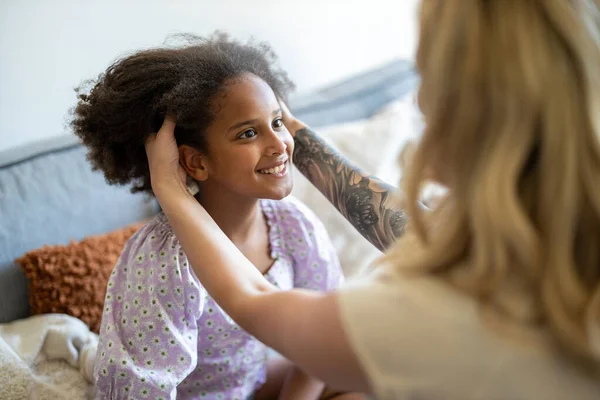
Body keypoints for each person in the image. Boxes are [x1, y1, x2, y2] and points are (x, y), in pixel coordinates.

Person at [144, 1, 600, 399]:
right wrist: (284, 127)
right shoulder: (538, 232)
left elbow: (253, 300)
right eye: (250, 130)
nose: (417, 100)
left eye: (431, 77)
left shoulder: (427, 309)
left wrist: (173, 192)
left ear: (486, 112)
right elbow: (411, 226)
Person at [71, 33, 362, 400]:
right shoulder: (163, 259)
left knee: (358, 378)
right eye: (249, 133)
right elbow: (140, 390)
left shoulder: (293, 224)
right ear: (196, 161)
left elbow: (323, 338)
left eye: (276, 122)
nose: (279, 144)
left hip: (254, 382)